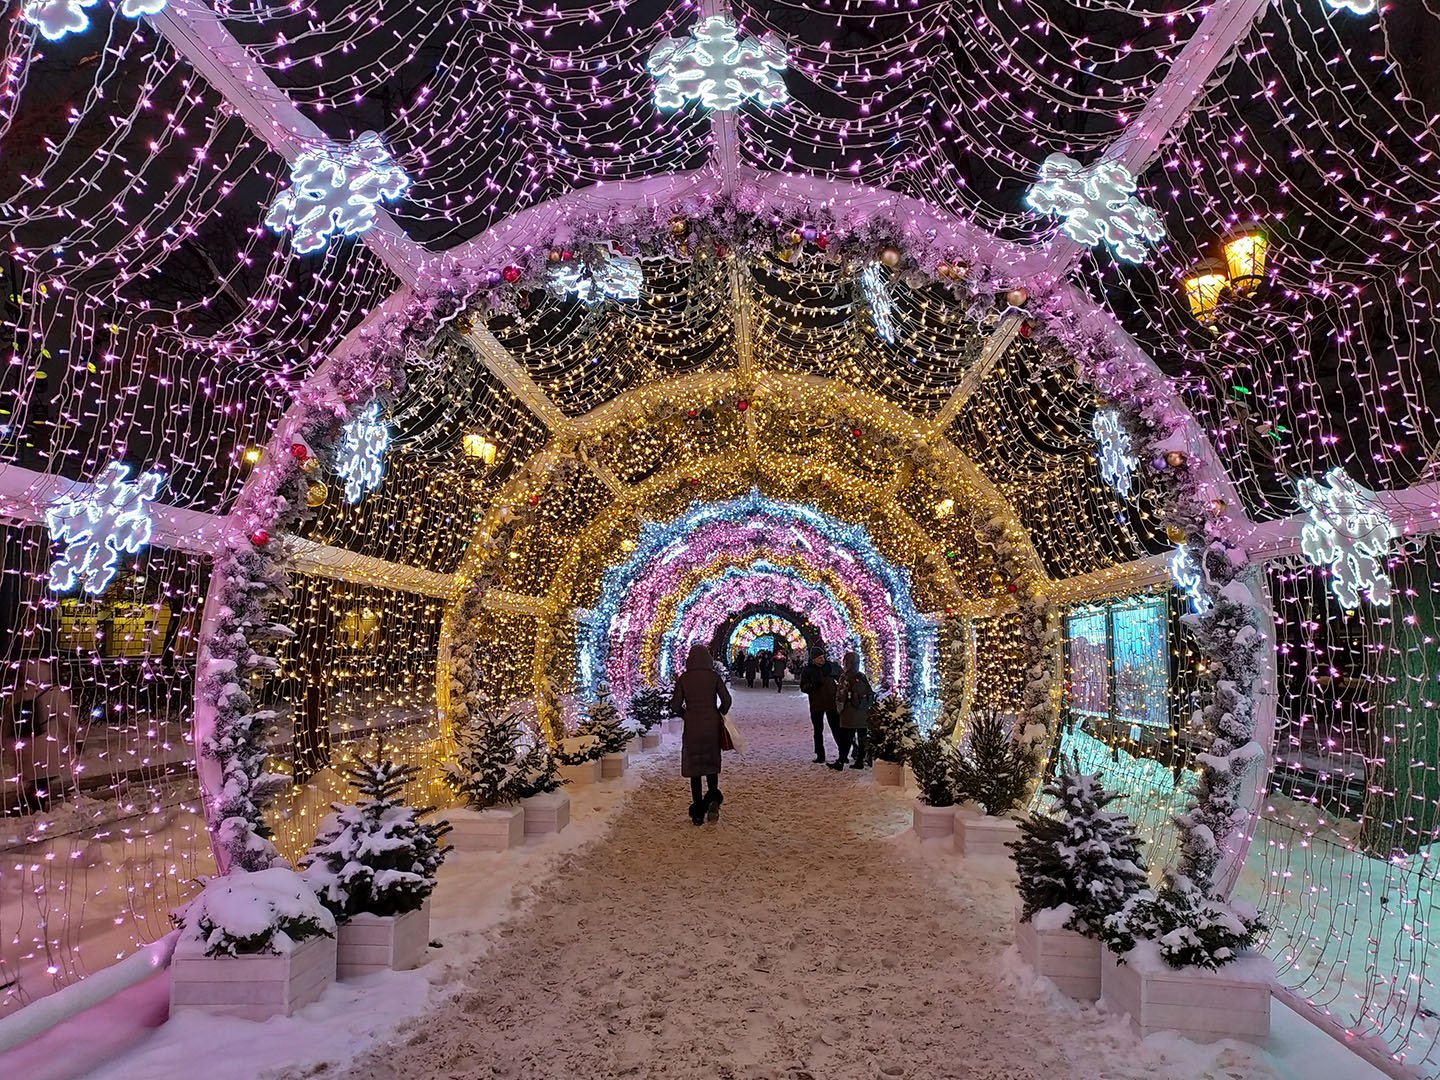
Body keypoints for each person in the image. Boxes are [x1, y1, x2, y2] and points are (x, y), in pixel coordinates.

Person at [1, 659, 80, 814]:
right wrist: (77, 738)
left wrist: (6, 746)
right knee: (41, 783)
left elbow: (7, 724)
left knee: (37, 782)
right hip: (47, 749)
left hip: (25, 748)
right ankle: (29, 811)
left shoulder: (17, 695)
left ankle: (30, 809)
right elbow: (68, 719)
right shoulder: (55, 693)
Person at [669, 643, 732, 826]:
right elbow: (726, 700)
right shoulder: (713, 677)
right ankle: (713, 800)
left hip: (692, 726)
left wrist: (685, 714)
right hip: (711, 724)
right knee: (711, 762)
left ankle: (697, 811)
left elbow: (674, 705)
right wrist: (719, 712)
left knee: (695, 767)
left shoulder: (684, 679)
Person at [798, 647, 841, 764]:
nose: (822, 659)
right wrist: (812, 686)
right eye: (819, 658)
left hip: (831, 703)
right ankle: (820, 754)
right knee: (818, 730)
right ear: (813, 659)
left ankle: (843, 753)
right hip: (816, 704)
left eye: (823, 657)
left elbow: (842, 680)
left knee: (836, 729)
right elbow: (803, 687)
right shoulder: (808, 670)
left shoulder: (831, 667)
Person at [834, 651, 874, 770]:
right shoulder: (861, 676)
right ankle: (860, 760)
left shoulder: (845, 677)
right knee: (862, 736)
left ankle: (841, 761)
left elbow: (841, 695)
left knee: (846, 737)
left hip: (849, 712)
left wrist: (839, 709)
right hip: (863, 712)